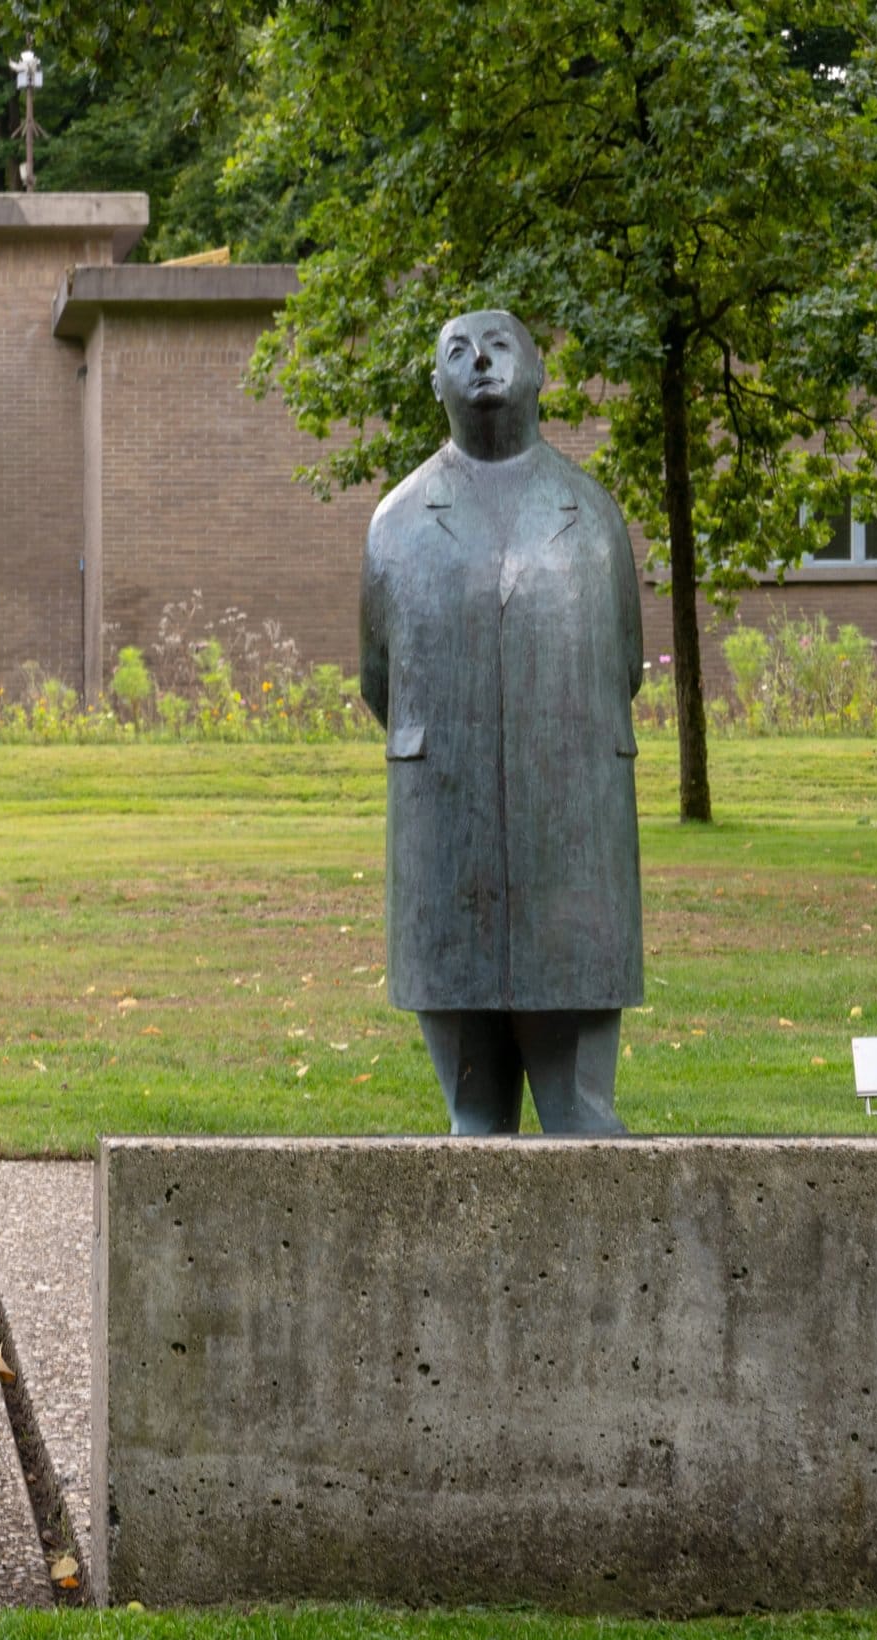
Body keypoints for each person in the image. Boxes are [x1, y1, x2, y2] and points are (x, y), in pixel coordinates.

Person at [359, 309, 643, 1134]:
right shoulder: (397, 523)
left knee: (584, 1116)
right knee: (474, 1125)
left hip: (572, 828)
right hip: (448, 830)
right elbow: (382, 679)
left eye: (498, 345)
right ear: (437, 384)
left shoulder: (592, 514)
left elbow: (623, 665)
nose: (480, 361)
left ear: (541, 369)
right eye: (457, 351)